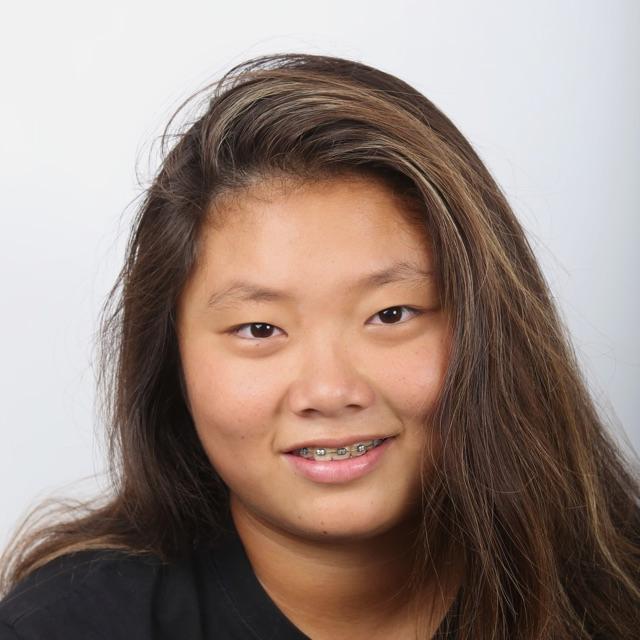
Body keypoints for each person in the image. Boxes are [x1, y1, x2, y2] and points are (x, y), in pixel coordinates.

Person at [0, 53, 638, 640]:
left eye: (391, 314)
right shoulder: (65, 625)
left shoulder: (620, 595)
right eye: (259, 329)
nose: (331, 391)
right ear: (172, 361)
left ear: (489, 329)